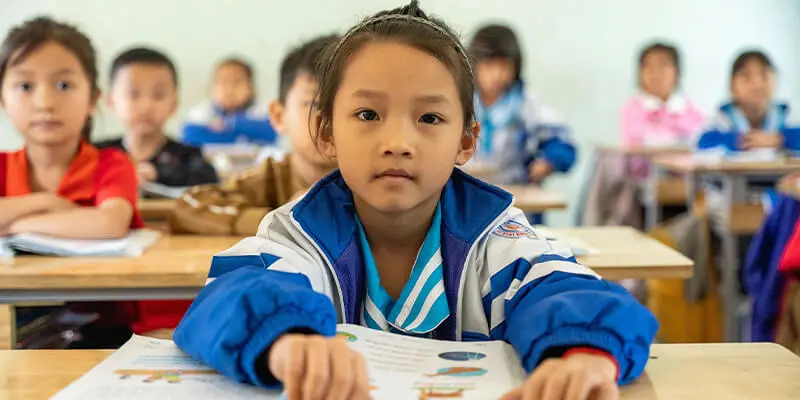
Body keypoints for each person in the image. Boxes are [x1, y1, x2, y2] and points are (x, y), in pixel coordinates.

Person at [174, 2, 657, 399]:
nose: (398, 141)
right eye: (368, 113)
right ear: (325, 132)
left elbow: (566, 291)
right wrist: (288, 339)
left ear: (467, 142)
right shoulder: (300, 231)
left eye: (429, 118)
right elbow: (233, 291)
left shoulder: (496, 236)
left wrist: (582, 355)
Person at [0, 17, 142, 347]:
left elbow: (109, 222)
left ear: (93, 99)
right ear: (3, 99)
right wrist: (46, 202)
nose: (45, 103)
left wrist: (14, 222)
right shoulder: (4, 166)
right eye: (25, 86)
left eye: (64, 85)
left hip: (101, 326)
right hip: (11, 322)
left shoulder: (111, 163)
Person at [169, 34, 340, 236]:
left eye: (351, 107)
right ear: (279, 116)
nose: (331, 120)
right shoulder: (272, 178)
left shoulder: (376, 181)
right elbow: (187, 207)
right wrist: (280, 221)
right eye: (315, 105)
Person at [468, 24, 576, 186]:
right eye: (488, 65)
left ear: (516, 66)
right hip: (463, 190)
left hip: (514, 192)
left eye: (504, 65)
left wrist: (548, 162)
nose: (496, 75)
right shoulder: (460, 100)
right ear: (472, 64)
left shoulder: (526, 102)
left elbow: (562, 143)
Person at [95, 47, 218, 189]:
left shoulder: (190, 158)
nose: (146, 106)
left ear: (174, 104)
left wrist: (159, 176)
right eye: (133, 94)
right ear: (111, 101)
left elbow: (209, 188)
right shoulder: (95, 155)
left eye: (158, 95)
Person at [697, 50, 800, 155]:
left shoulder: (786, 114)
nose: (757, 85)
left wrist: (780, 140)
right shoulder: (723, 117)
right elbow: (703, 144)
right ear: (732, 86)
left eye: (764, 75)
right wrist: (741, 141)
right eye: (746, 77)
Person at [620, 42, 704, 149]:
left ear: (677, 73)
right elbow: (641, 143)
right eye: (648, 66)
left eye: (663, 65)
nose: (655, 73)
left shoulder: (688, 107)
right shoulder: (633, 107)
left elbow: (700, 138)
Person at [182, 57, 278, 146]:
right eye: (223, 82)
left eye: (237, 82)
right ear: (212, 87)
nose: (229, 88)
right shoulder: (200, 113)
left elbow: (270, 134)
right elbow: (190, 137)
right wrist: (242, 138)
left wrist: (229, 124)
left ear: (251, 89)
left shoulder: (261, 113)